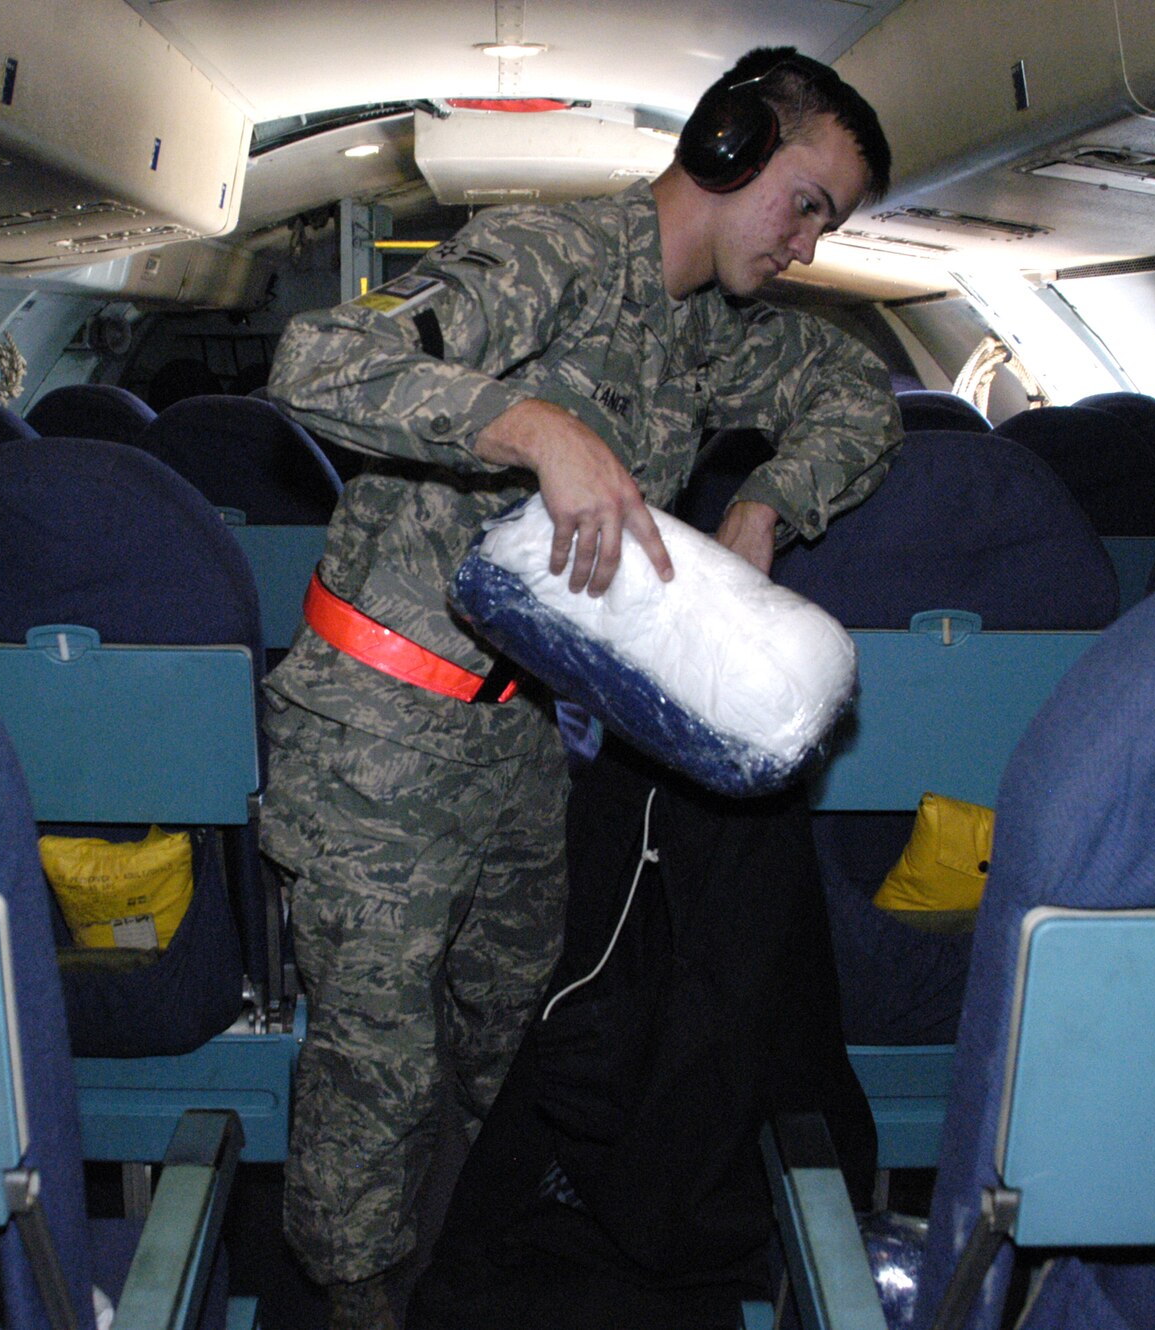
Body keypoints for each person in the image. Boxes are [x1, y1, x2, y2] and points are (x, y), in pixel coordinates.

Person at [261, 46, 901, 1328]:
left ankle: (479, 1263)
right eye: (806, 203)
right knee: (376, 1069)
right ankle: (355, 1298)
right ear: (726, 147)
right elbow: (314, 362)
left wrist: (772, 499)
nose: (809, 246)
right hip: (375, 737)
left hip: (518, 746)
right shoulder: (551, 260)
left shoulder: (702, 331)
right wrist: (533, 428)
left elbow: (855, 396)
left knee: (514, 1041)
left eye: (828, 222)